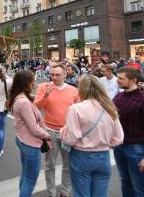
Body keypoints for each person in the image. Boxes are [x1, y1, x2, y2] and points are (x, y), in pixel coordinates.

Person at [60, 74, 124, 197]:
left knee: (82, 193)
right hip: (103, 155)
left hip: (82, 155)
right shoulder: (110, 108)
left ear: (82, 89)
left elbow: (71, 138)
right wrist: (104, 142)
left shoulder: (76, 108)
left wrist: (63, 131)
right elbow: (119, 137)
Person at [34, 63, 80, 197]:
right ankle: (51, 193)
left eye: (57, 75)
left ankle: (65, 193)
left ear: (65, 74)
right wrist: (45, 96)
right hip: (50, 132)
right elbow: (35, 108)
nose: (54, 77)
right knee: (49, 165)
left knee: (68, 165)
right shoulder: (43, 87)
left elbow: (78, 112)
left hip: (68, 133)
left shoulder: (74, 90)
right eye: (52, 74)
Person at [6, 71, 52, 197]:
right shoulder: (24, 102)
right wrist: (48, 135)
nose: (34, 84)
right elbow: (34, 128)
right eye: (32, 81)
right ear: (25, 83)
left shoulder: (18, 97)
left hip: (22, 139)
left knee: (26, 175)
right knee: (30, 180)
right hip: (30, 144)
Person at [113, 67, 144, 196]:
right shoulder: (118, 97)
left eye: (121, 78)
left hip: (137, 148)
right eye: (117, 78)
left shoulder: (142, 99)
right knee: (125, 182)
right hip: (119, 147)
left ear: (134, 80)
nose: (117, 81)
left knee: (139, 187)